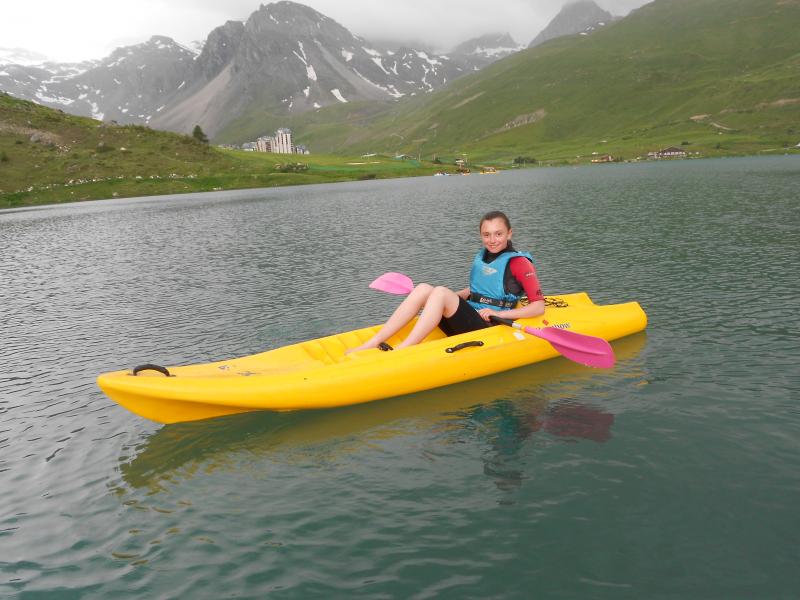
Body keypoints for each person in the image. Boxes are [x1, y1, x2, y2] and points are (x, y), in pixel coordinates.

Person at [348, 211, 545, 352]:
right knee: (424, 289)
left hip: (490, 326)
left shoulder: (520, 263)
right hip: (470, 317)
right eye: (487, 235)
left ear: (509, 233)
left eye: (498, 234)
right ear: (481, 235)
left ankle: (405, 349)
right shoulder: (484, 256)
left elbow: (538, 307)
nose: (492, 240)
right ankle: (373, 342)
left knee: (441, 292)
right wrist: (442, 297)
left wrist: (499, 313)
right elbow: (477, 290)